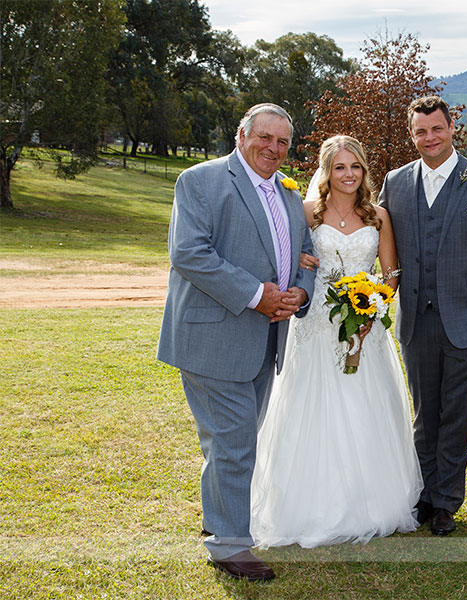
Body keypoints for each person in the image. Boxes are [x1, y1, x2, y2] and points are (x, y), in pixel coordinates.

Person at [157, 103, 315, 581]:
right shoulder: (201, 181)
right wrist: (257, 295)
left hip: (267, 341)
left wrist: (300, 294)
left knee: (235, 440)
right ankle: (229, 545)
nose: (273, 148)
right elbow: (189, 253)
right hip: (214, 336)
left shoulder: (289, 192)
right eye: (264, 137)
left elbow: (304, 255)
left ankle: (219, 522)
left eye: (283, 142)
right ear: (241, 134)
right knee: (232, 440)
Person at [250, 135, 423, 547]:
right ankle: (309, 505)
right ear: (327, 172)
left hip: (366, 328)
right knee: (310, 406)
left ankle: (372, 501)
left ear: (365, 171)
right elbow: (284, 258)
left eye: (355, 167)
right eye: (340, 167)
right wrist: (300, 266)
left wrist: (374, 306)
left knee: (366, 405)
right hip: (315, 326)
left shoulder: (377, 215)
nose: (348, 175)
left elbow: (391, 272)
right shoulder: (307, 211)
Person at [378, 96, 467, 536]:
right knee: (425, 413)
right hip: (416, 322)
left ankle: (446, 502)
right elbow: (380, 244)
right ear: (411, 134)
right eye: (420, 131)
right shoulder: (395, 182)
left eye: (436, 129)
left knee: (458, 415)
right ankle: (421, 494)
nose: (429, 138)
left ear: (451, 128)